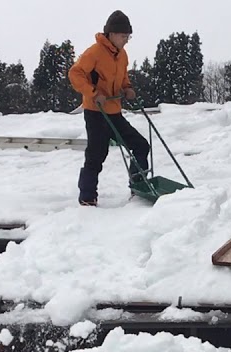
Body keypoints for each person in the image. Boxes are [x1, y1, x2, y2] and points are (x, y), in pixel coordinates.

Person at [68, 10, 151, 207]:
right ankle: (87, 197)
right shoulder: (94, 52)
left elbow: (122, 77)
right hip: (96, 113)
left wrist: (128, 88)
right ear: (112, 34)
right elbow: (75, 74)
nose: (126, 40)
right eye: (124, 36)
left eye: (128, 36)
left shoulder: (122, 55)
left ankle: (139, 186)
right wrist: (94, 92)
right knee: (97, 154)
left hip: (114, 111)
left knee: (141, 145)